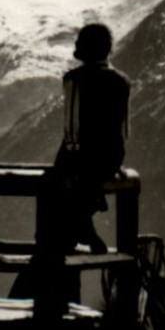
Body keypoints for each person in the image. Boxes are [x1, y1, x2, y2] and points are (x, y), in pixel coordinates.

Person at [51, 22, 132, 254]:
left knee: (55, 190)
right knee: (86, 189)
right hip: (112, 155)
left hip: (81, 154)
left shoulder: (74, 79)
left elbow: (71, 128)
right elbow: (125, 128)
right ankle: (85, 227)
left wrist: (70, 160)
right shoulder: (122, 80)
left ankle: (81, 232)